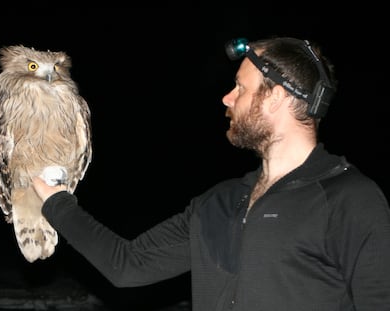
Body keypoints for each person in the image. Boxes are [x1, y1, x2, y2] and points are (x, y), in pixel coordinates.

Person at [32, 36, 390, 310]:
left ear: (276, 98)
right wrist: (55, 201)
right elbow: (127, 266)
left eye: (241, 88)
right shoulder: (218, 203)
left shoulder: (349, 198)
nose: (227, 98)